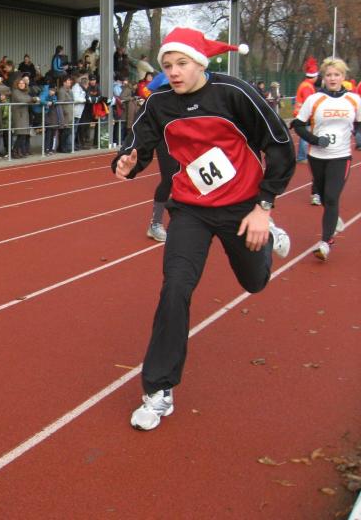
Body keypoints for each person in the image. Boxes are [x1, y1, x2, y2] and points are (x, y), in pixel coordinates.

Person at [112, 27, 294, 431]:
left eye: (182, 63)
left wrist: (264, 206)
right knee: (175, 288)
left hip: (242, 208)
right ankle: (159, 390)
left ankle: (269, 234)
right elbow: (139, 143)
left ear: (200, 62)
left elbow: (280, 145)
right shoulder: (159, 103)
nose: (174, 72)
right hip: (190, 210)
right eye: (167, 65)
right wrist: (127, 161)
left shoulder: (234, 93)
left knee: (254, 282)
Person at [291, 57, 358, 261]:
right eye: (329, 75)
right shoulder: (315, 99)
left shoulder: (354, 100)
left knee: (331, 197)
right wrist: (315, 140)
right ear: (323, 77)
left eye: (336, 75)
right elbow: (298, 125)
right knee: (321, 195)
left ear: (343, 77)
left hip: (341, 156)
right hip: (317, 156)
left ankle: (326, 242)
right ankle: (333, 217)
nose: (332, 78)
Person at [294, 57, 319, 169]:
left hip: (302, 114)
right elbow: (309, 102)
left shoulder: (306, 85)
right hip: (304, 115)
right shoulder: (307, 87)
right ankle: (301, 157)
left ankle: (302, 156)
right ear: (314, 76)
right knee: (305, 136)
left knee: (305, 136)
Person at [9, 75, 37, 158]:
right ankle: (14, 152)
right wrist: (33, 99)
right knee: (21, 135)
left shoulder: (24, 92)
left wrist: (33, 99)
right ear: (17, 84)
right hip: (19, 116)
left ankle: (18, 152)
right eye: (20, 83)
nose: (22, 85)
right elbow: (22, 100)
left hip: (24, 116)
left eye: (23, 83)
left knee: (23, 135)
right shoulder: (15, 92)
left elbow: (28, 99)